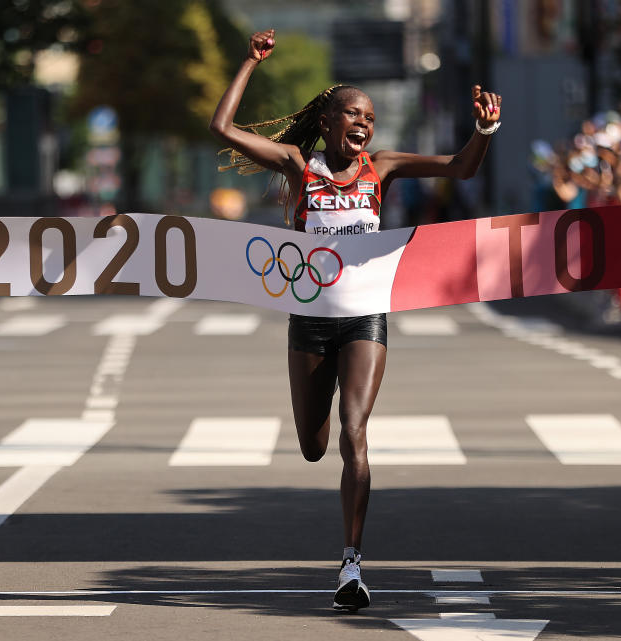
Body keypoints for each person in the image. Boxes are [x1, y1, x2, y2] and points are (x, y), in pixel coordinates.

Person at [208, 28, 502, 612]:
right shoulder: (298, 166)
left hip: (365, 317)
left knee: (354, 430)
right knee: (314, 445)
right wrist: (248, 63)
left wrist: (484, 130)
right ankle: (341, 528)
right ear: (327, 122)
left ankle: (351, 563)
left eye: (369, 116)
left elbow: (462, 169)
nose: (363, 124)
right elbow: (221, 130)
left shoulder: (383, 168)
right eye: (352, 114)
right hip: (309, 320)